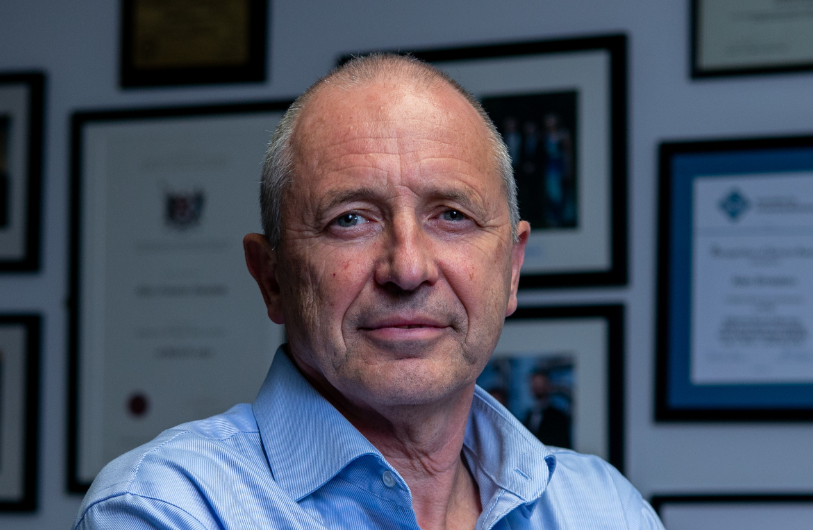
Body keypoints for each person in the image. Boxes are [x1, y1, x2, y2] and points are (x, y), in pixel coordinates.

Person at [74, 54, 663, 530]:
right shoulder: (168, 509)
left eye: (451, 215)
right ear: (271, 277)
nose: (407, 269)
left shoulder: (607, 510)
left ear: (511, 268)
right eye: (351, 220)